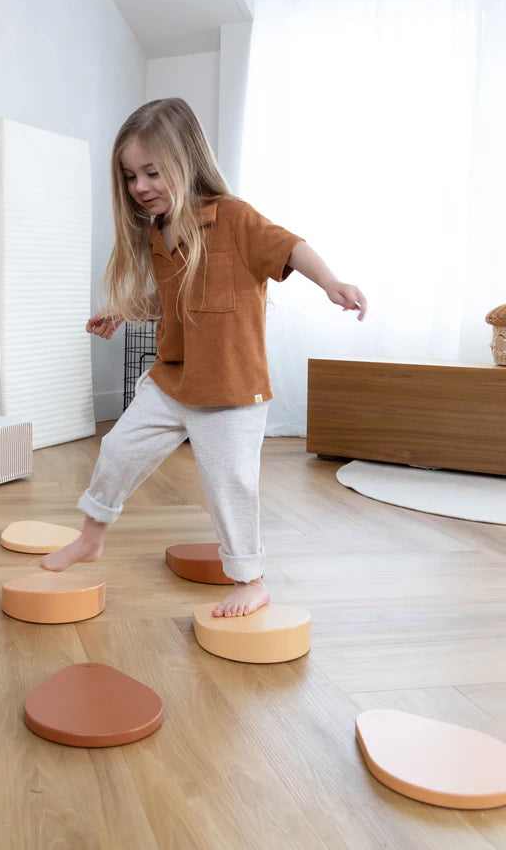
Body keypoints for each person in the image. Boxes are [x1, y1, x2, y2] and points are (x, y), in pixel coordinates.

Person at [41, 98, 366, 617]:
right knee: (119, 449)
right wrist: (125, 310)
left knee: (229, 484)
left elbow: (291, 246)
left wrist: (331, 283)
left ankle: (250, 580)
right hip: (174, 380)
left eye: (151, 171)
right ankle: (91, 537)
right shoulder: (159, 230)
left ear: (187, 160)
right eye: (130, 176)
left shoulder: (234, 219)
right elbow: (174, 297)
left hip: (232, 389)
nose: (140, 186)